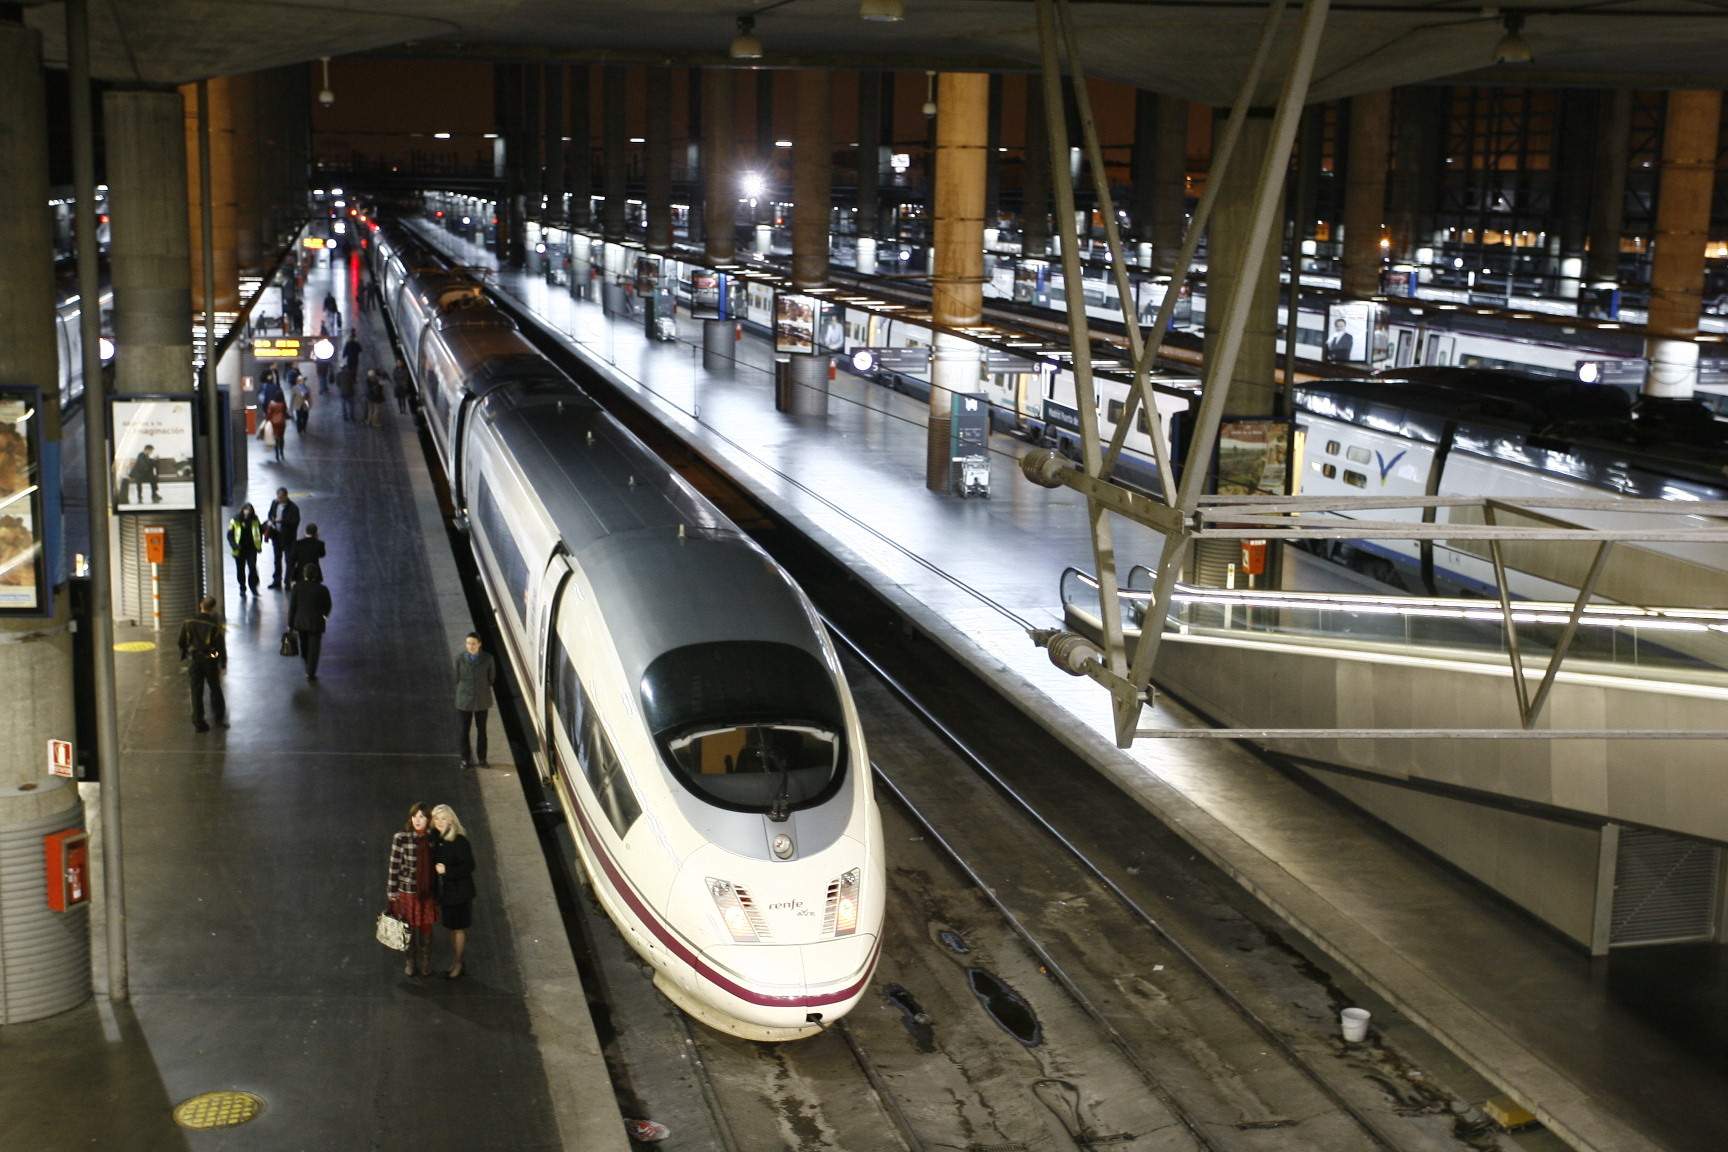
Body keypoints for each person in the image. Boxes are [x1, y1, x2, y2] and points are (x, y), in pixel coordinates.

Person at [386, 803, 439, 978]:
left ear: (428, 820)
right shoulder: (401, 838)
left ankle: (425, 962)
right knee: (408, 928)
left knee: (426, 929)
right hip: (407, 892)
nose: (417, 820)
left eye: (422, 816)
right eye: (415, 816)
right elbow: (394, 866)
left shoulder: (433, 838)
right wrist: (392, 892)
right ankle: (410, 961)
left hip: (426, 893)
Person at [430, 804, 475, 979]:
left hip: (461, 893)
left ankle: (458, 963)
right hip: (448, 893)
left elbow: (470, 866)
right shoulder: (438, 840)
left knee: (458, 929)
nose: (440, 822)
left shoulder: (459, 841)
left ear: (451, 819)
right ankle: (457, 961)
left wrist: (446, 871)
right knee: (452, 929)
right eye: (436, 819)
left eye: (443, 818)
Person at [175, 595, 228, 733]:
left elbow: (181, 642)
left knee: (196, 691)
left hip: (195, 660)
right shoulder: (214, 625)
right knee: (215, 688)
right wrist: (220, 661)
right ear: (212, 609)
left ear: (201, 605)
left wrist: (187, 653)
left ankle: (199, 721)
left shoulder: (188, 622)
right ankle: (219, 717)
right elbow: (219, 647)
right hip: (209, 661)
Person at [454, 632, 496, 768]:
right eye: (468, 643)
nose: (470, 646)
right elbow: (456, 677)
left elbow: (491, 678)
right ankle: (465, 759)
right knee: (463, 731)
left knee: (481, 730)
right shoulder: (460, 659)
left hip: (481, 700)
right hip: (464, 700)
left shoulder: (488, 659)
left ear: (479, 644)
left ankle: (482, 759)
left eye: (473, 643)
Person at [288, 562, 331, 680]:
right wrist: (324, 616)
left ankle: (306, 662)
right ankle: (310, 672)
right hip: (316, 623)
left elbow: (292, 607)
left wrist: (290, 624)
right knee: (314, 648)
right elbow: (328, 605)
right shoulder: (323, 589)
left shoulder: (297, 587)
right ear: (316, 575)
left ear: (304, 574)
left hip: (300, 623)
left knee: (304, 645)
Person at [265, 487, 300, 589]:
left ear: (286, 496)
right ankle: (277, 580)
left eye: (280, 497)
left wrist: (282, 520)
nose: (278, 499)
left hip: (288, 538)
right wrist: (272, 520)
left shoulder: (293, 508)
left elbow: (295, 522)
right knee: (277, 559)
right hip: (276, 535)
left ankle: (288, 581)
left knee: (289, 560)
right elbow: (270, 513)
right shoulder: (274, 503)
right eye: (278, 497)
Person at [227, 503, 264, 597]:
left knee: (252, 568)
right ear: (242, 510)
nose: (247, 512)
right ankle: (242, 587)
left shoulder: (255, 519)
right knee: (240, 570)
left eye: (249, 510)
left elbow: (259, 532)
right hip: (239, 549)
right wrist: (234, 546)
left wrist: (259, 546)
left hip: (251, 549)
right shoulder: (235, 520)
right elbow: (229, 535)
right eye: (246, 510)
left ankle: (253, 587)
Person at [287, 522, 326, 589]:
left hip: (300, 574)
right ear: (316, 533)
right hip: (315, 573)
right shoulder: (320, 544)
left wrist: (291, 576)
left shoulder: (297, 544)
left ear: (306, 531)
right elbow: (322, 554)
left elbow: (292, 559)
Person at [265, 392, 289, 463]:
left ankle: (277, 454)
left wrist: (267, 420)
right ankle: (281, 451)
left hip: (274, 422)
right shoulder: (283, 404)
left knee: (276, 437)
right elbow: (285, 412)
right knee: (281, 437)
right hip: (282, 422)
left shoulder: (271, 404)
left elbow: (269, 414)